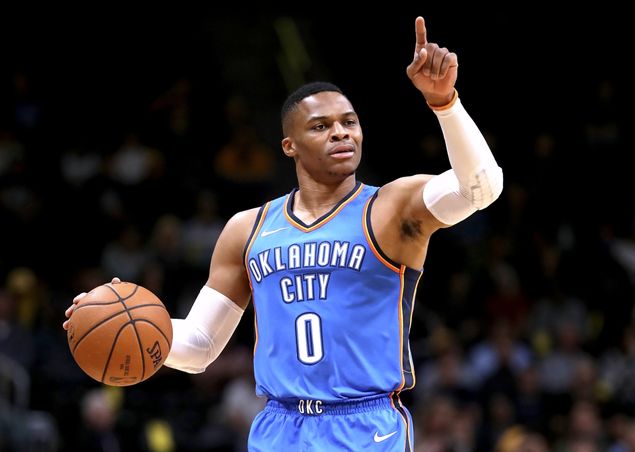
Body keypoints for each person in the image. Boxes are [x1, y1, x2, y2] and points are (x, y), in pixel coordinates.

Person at [64, 16, 503, 451]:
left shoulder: (391, 207)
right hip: (279, 427)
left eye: (349, 122)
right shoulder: (247, 229)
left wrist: (445, 104)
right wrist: (129, 323)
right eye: (321, 126)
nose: (340, 132)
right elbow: (199, 346)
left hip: (365, 425)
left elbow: (481, 188)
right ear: (289, 145)